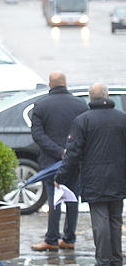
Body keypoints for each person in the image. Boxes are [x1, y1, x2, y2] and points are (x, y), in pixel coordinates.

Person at [56, 83, 126, 266]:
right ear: (108, 95)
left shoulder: (83, 120)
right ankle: (116, 261)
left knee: (100, 221)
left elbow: (73, 153)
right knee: (115, 220)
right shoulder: (122, 118)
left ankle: (103, 262)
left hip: (94, 177)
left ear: (89, 98)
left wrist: (61, 176)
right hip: (119, 177)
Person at [30, 71, 87, 252]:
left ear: (50, 84)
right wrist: (70, 152)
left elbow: (38, 135)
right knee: (72, 199)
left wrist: (58, 151)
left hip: (50, 160)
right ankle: (69, 238)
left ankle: (52, 239)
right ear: (65, 83)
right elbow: (85, 134)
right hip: (75, 160)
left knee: (54, 200)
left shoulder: (41, 105)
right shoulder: (81, 105)